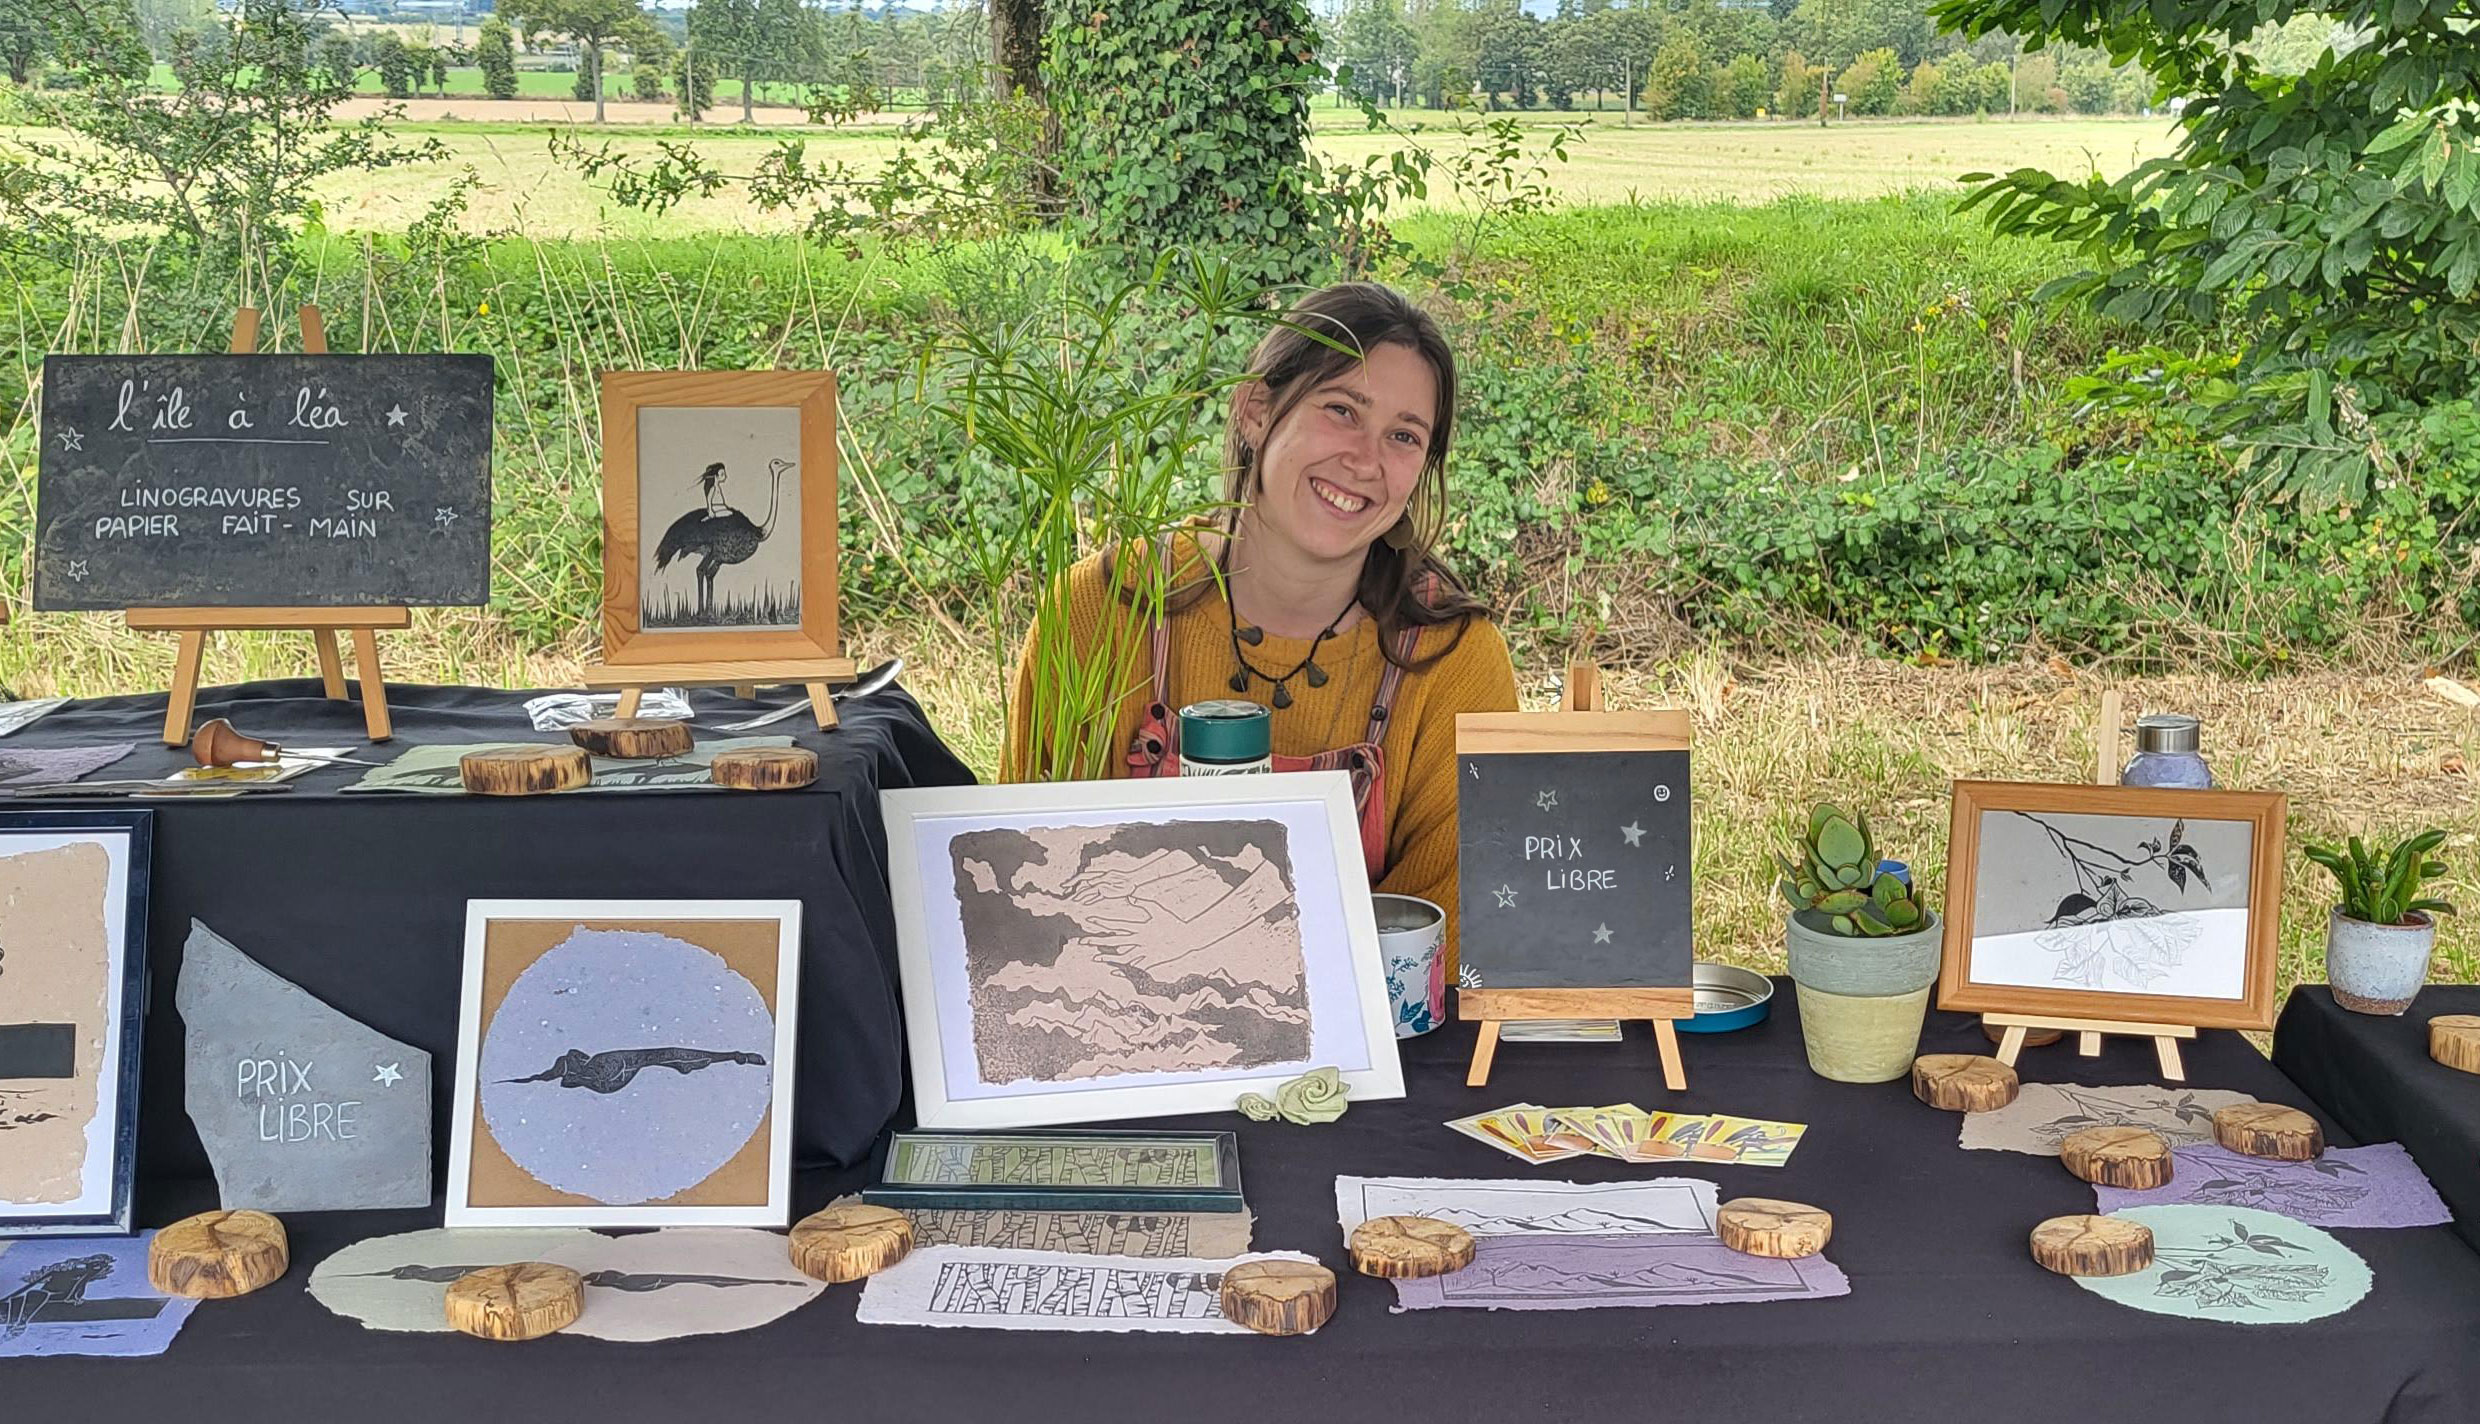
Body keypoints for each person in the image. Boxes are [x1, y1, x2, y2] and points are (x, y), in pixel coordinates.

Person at [1002, 281, 1519, 971]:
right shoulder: (1099, 611)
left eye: (1403, 436)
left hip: (1356, 1061)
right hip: (1104, 1033)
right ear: (1255, 409)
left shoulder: (1452, 661)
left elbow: (1441, 938)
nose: (1365, 461)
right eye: (1342, 410)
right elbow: (1019, 885)